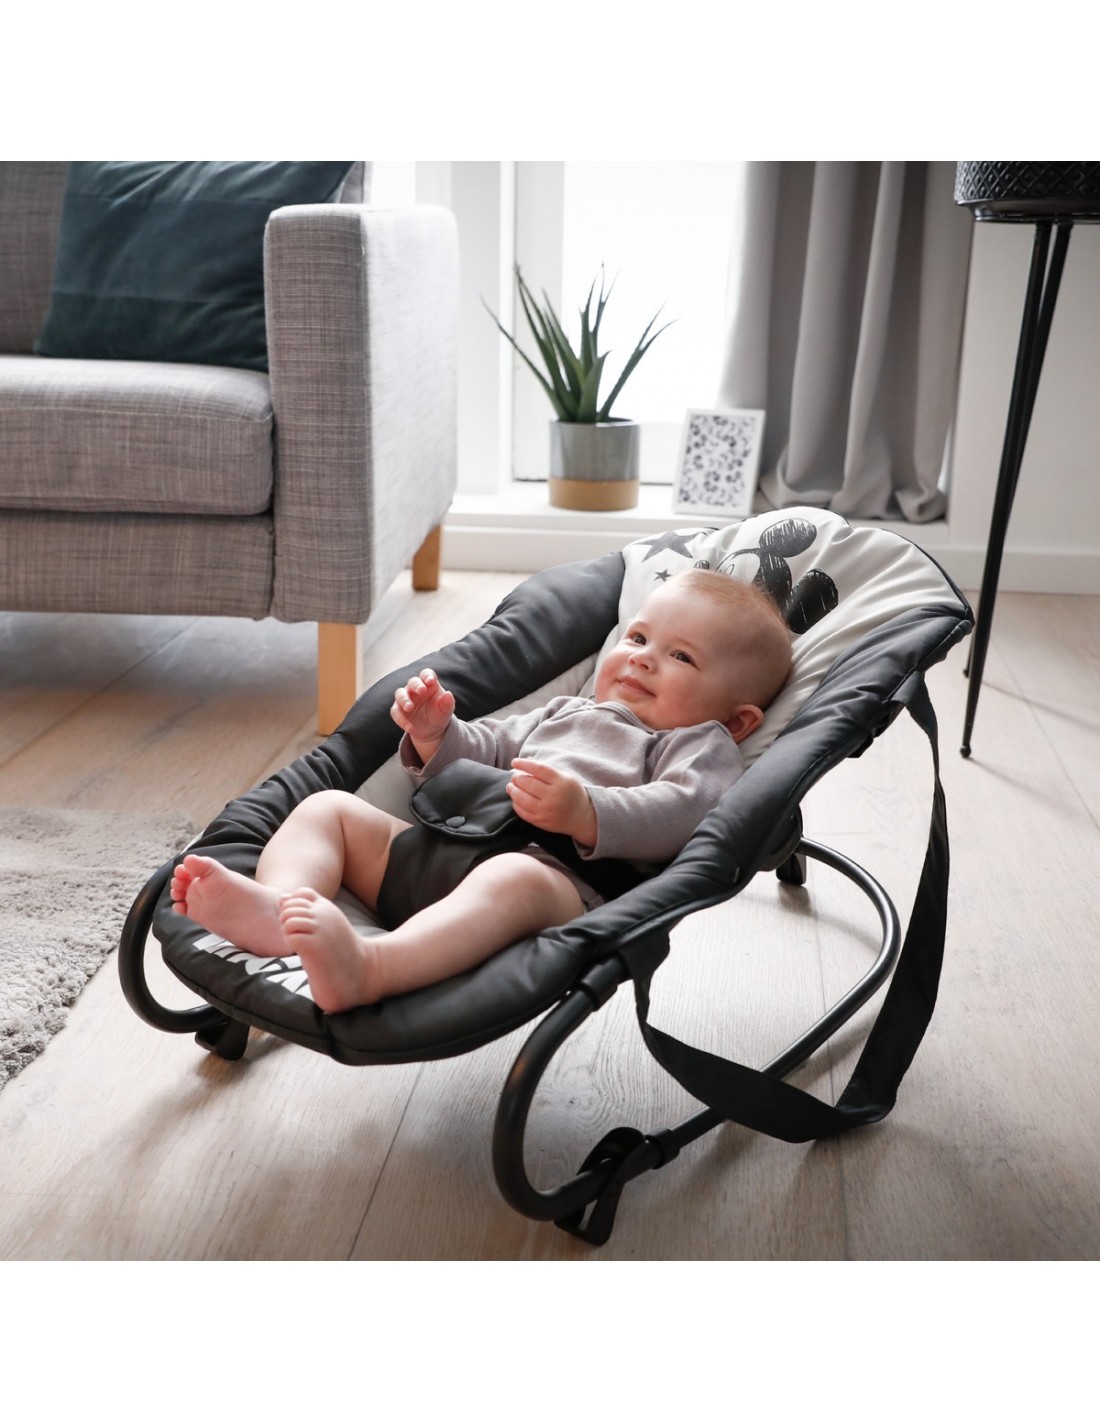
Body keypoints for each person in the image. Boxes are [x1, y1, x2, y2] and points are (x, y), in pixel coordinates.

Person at [169, 570, 792, 1013]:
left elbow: (689, 812)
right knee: (326, 808)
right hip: (438, 852)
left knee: (514, 878)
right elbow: (490, 749)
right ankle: (280, 911)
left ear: (738, 720)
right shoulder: (567, 711)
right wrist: (437, 734)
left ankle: (371, 967)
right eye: (637, 639)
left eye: (682, 657)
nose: (643, 659)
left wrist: (587, 812)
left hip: (553, 886)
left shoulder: (698, 744)